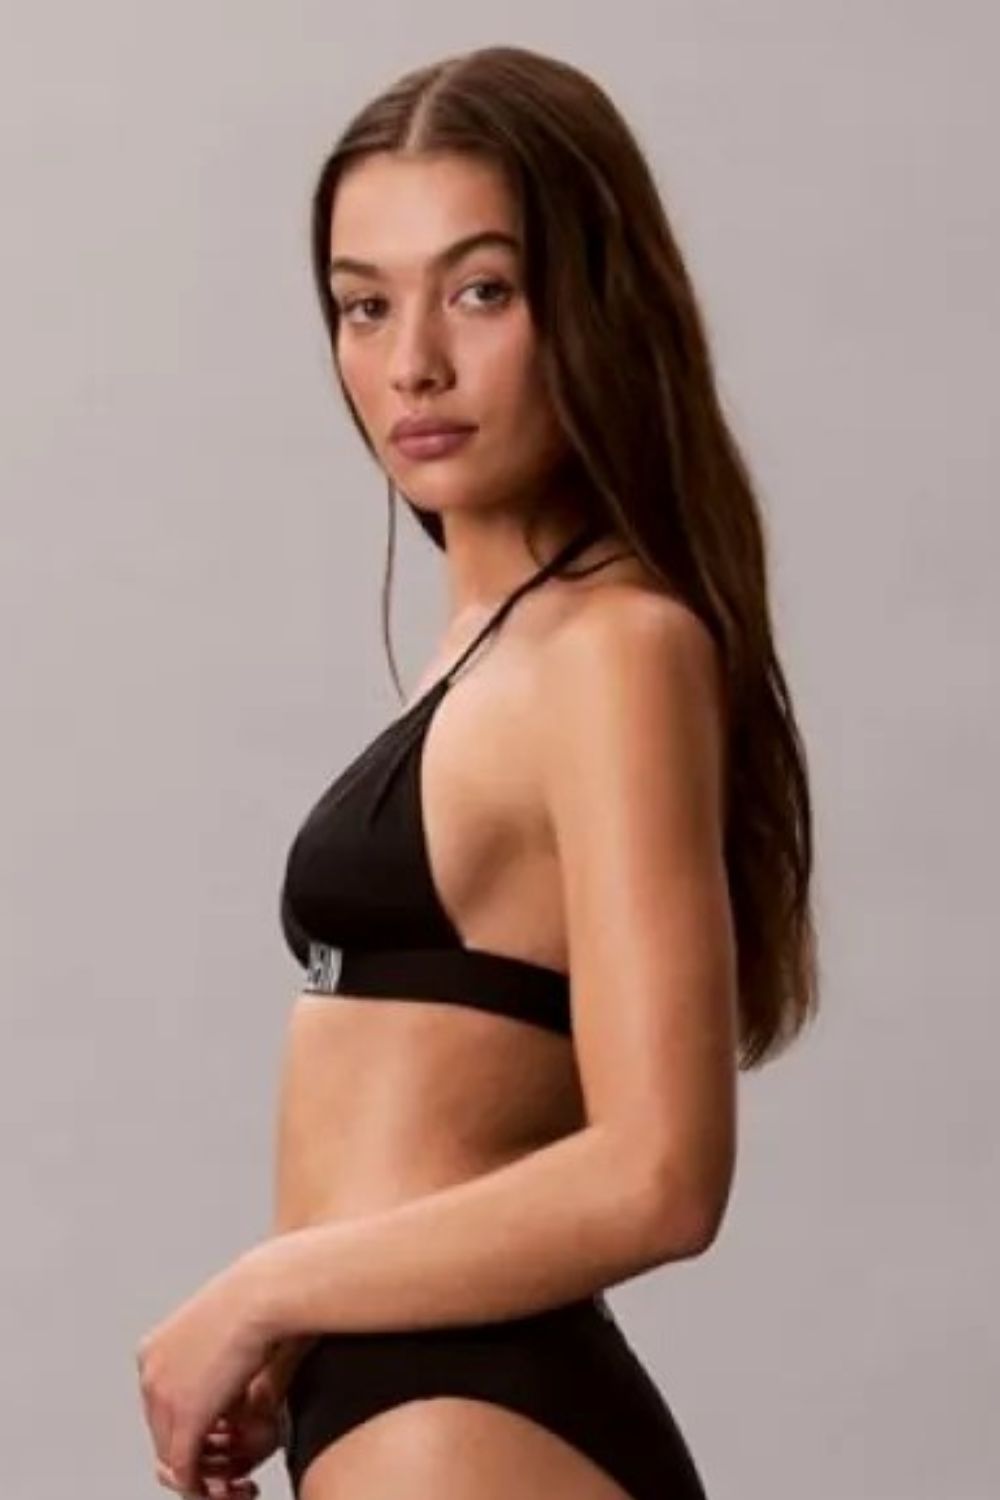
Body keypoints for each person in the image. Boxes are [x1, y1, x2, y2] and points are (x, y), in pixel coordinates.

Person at [136, 42, 818, 1500]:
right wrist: (297, 1324)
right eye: (364, 304)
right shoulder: (491, 646)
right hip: (406, 1405)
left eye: (482, 290)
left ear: (594, 304)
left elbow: (662, 1173)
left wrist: (268, 1287)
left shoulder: (615, 649)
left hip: (475, 1417)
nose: (413, 364)